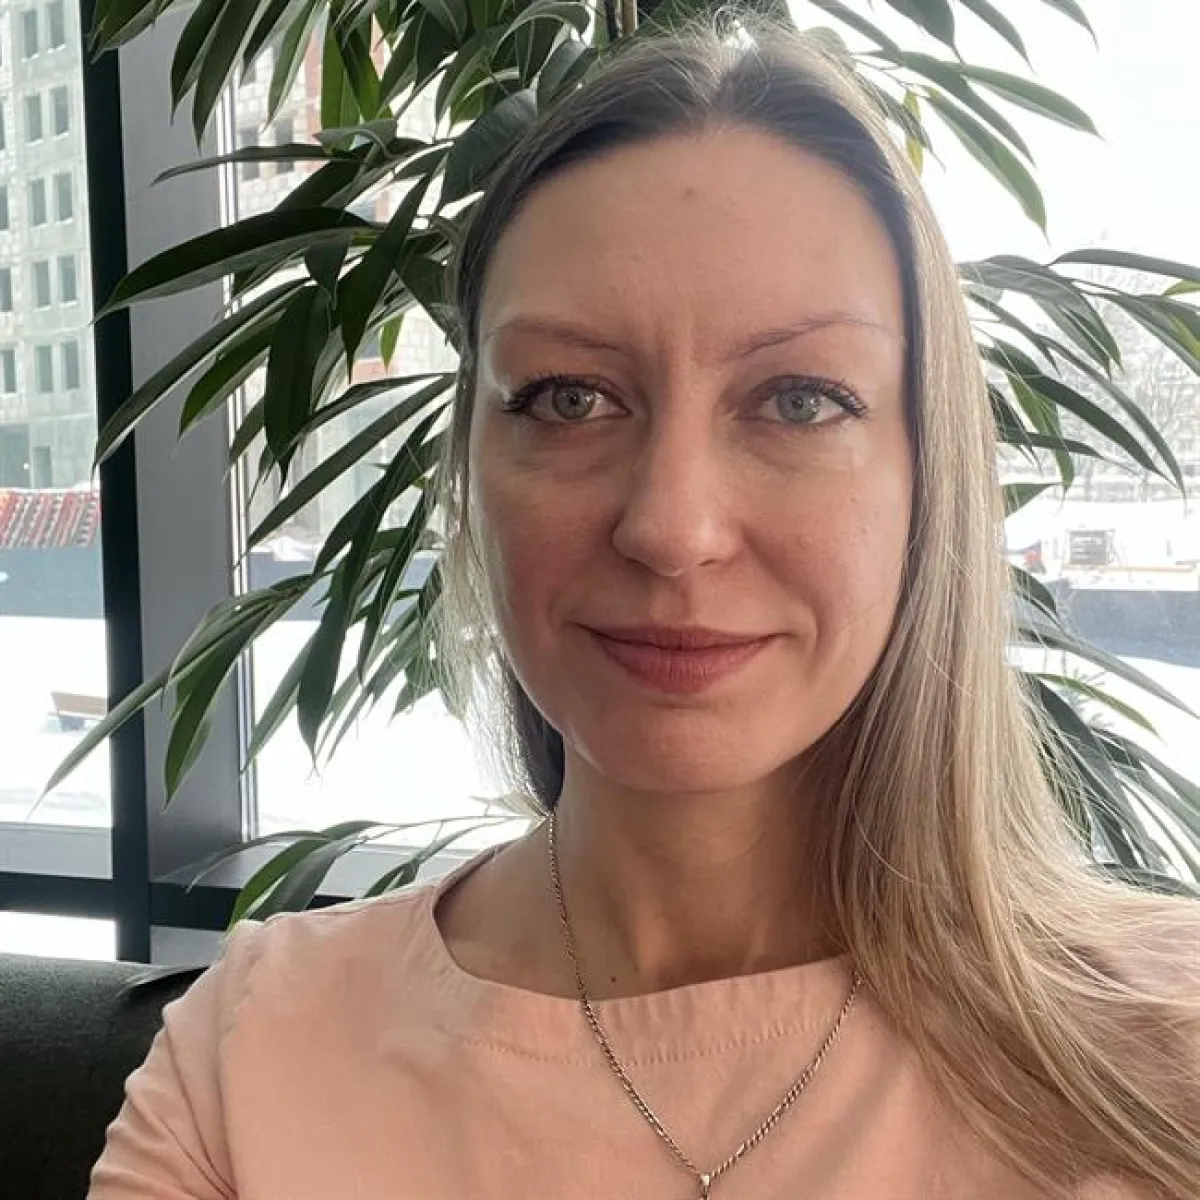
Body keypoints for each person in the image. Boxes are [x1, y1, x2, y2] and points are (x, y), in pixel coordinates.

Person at [89, 17, 1198, 1200]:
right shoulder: (258, 1058)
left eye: (801, 400)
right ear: (469, 467)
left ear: (927, 472)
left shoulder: (1164, 1055)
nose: (672, 527)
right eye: (569, 397)